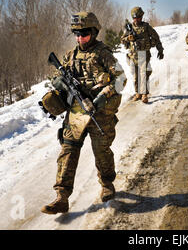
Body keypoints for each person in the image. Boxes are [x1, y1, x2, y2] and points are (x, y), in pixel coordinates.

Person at [40, 11, 126, 214]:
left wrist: (102, 96)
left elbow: (121, 79)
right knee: (68, 151)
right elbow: (55, 77)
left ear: (94, 32)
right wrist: (59, 82)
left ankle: (107, 184)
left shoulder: (103, 53)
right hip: (77, 113)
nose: (80, 38)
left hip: (100, 112)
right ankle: (61, 196)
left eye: (85, 33)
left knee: (101, 151)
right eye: (77, 34)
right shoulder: (70, 56)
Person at [120, 6, 164, 103]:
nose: (137, 19)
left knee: (143, 74)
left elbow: (156, 38)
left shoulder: (146, 27)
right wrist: (128, 38)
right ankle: (138, 93)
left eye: (138, 17)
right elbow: (122, 40)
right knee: (135, 76)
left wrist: (160, 50)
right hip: (133, 56)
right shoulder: (129, 28)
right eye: (135, 18)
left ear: (142, 16)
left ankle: (144, 94)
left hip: (144, 54)